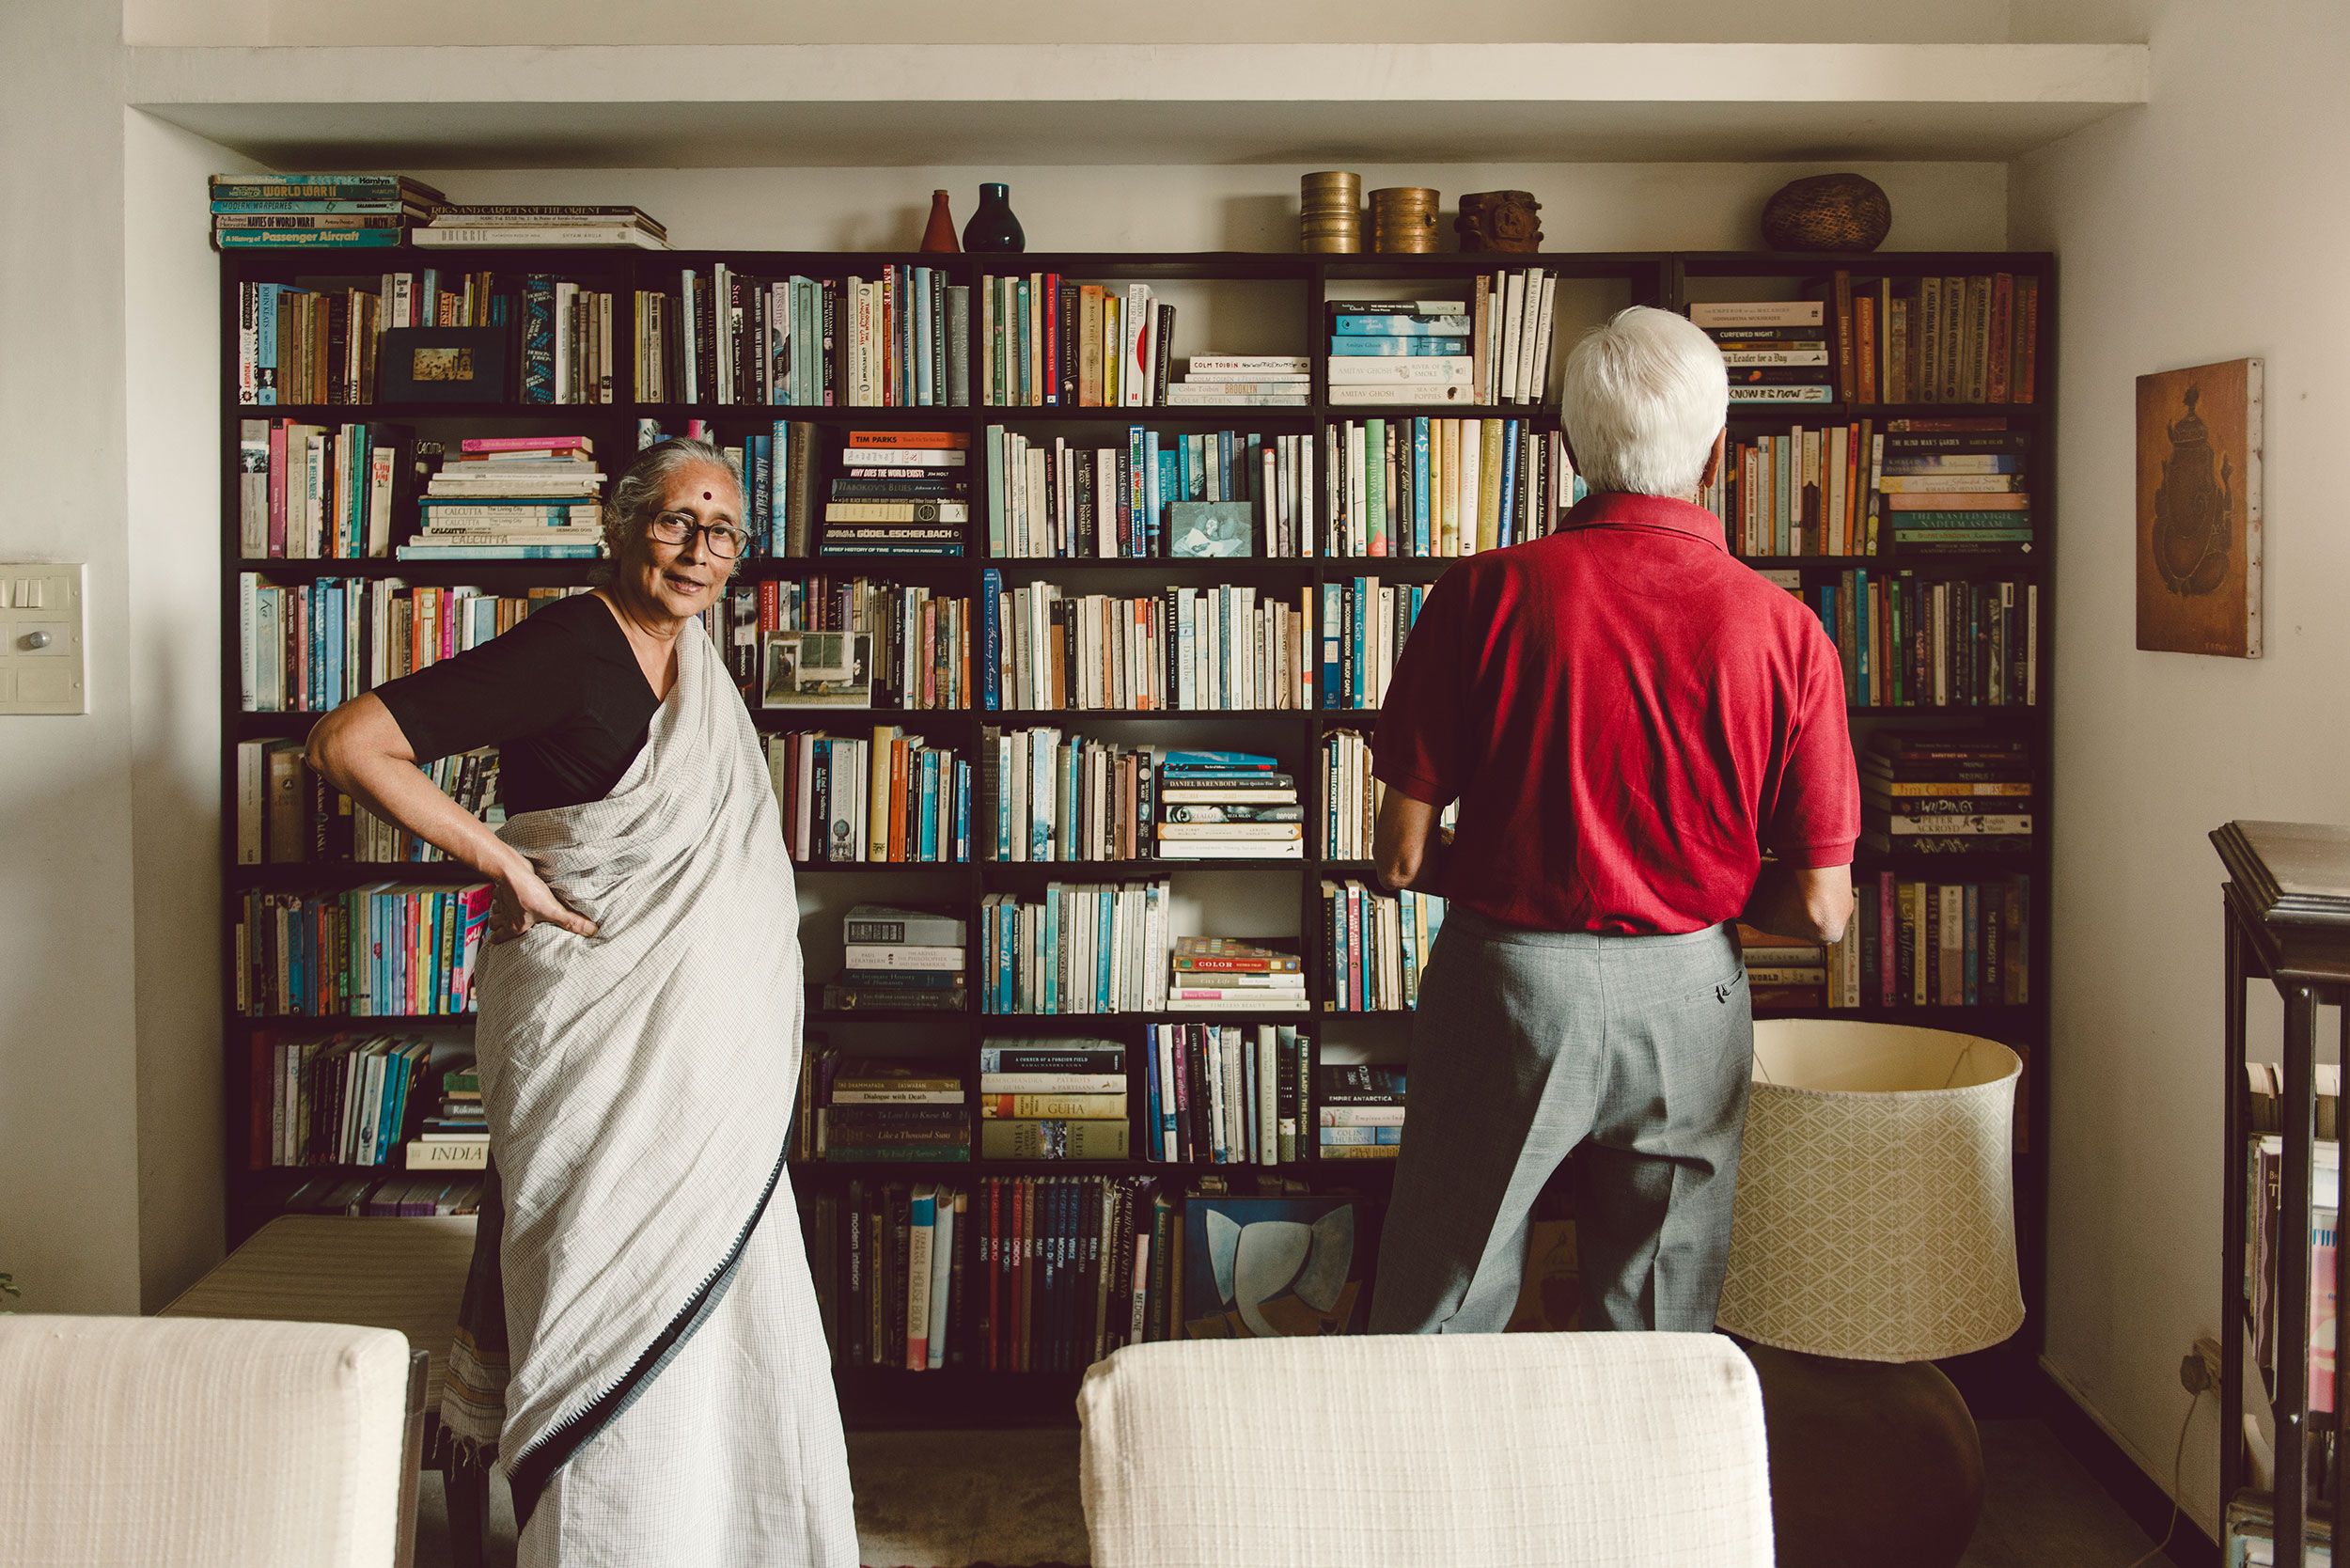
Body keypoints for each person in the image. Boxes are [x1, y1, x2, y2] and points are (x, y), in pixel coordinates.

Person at [306, 437, 856, 1567]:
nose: (699, 553)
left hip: (702, 1048)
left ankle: (725, 1529)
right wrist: (502, 863)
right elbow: (351, 742)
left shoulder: (697, 665)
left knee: (723, 1275)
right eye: (675, 523)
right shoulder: (568, 645)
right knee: (596, 1282)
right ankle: (610, 1535)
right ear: (621, 525)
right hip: (589, 1029)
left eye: (723, 534)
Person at [1366, 306, 1858, 1338]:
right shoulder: (1788, 632)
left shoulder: (1480, 596)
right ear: (1719, 454)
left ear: (1569, 449)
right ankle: (1639, 1500)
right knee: (1658, 1309)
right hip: (1687, 992)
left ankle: (1424, 1499)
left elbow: (1403, 856)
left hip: (1507, 982)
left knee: (1445, 1294)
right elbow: (1821, 910)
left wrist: (1516, 857)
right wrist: (1706, 883)